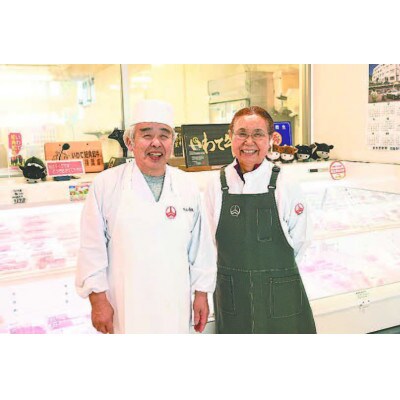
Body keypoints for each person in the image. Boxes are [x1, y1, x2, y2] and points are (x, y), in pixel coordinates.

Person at [76, 99, 216, 334]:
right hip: (126, 303)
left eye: (164, 135)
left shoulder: (186, 185)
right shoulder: (107, 184)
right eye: (146, 135)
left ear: (172, 142)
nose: (156, 143)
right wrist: (97, 299)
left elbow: (200, 247)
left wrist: (201, 293)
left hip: (174, 301)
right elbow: (91, 247)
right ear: (130, 142)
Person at [204, 106, 316, 334]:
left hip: (280, 290)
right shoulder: (216, 184)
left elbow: (301, 240)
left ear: (270, 139)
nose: (249, 142)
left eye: (258, 134)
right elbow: (207, 243)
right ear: (230, 137)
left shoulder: (286, 183)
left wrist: (274, 270)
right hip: (232, 292)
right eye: (242, 133)